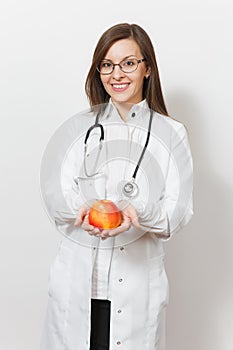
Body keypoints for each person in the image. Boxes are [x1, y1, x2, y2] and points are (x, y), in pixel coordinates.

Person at [40, 23, 193, 350]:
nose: (117, 74)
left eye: (128, 63)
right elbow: (57, 197)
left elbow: (176, 213)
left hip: (136, 289)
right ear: (99, 72)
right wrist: (78, 208)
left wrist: (137, 212)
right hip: (78, 285)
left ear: (147, 68)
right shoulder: (79, 130)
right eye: (107, 65)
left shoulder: (172, 133)